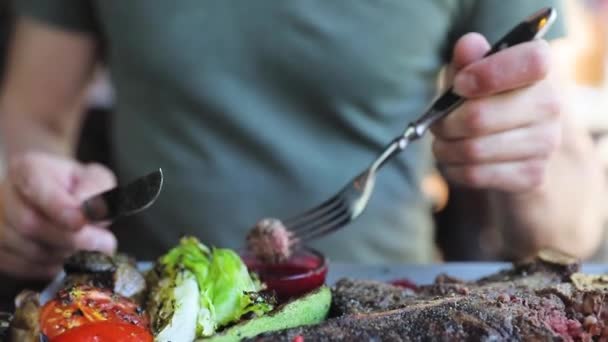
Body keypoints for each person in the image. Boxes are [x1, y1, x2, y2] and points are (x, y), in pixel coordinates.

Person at [0, 0, 606, 302]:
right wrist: (33, 197)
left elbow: (575, 228)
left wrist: (531, 160)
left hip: (384, 304)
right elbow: (30, 117)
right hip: (151, 303)